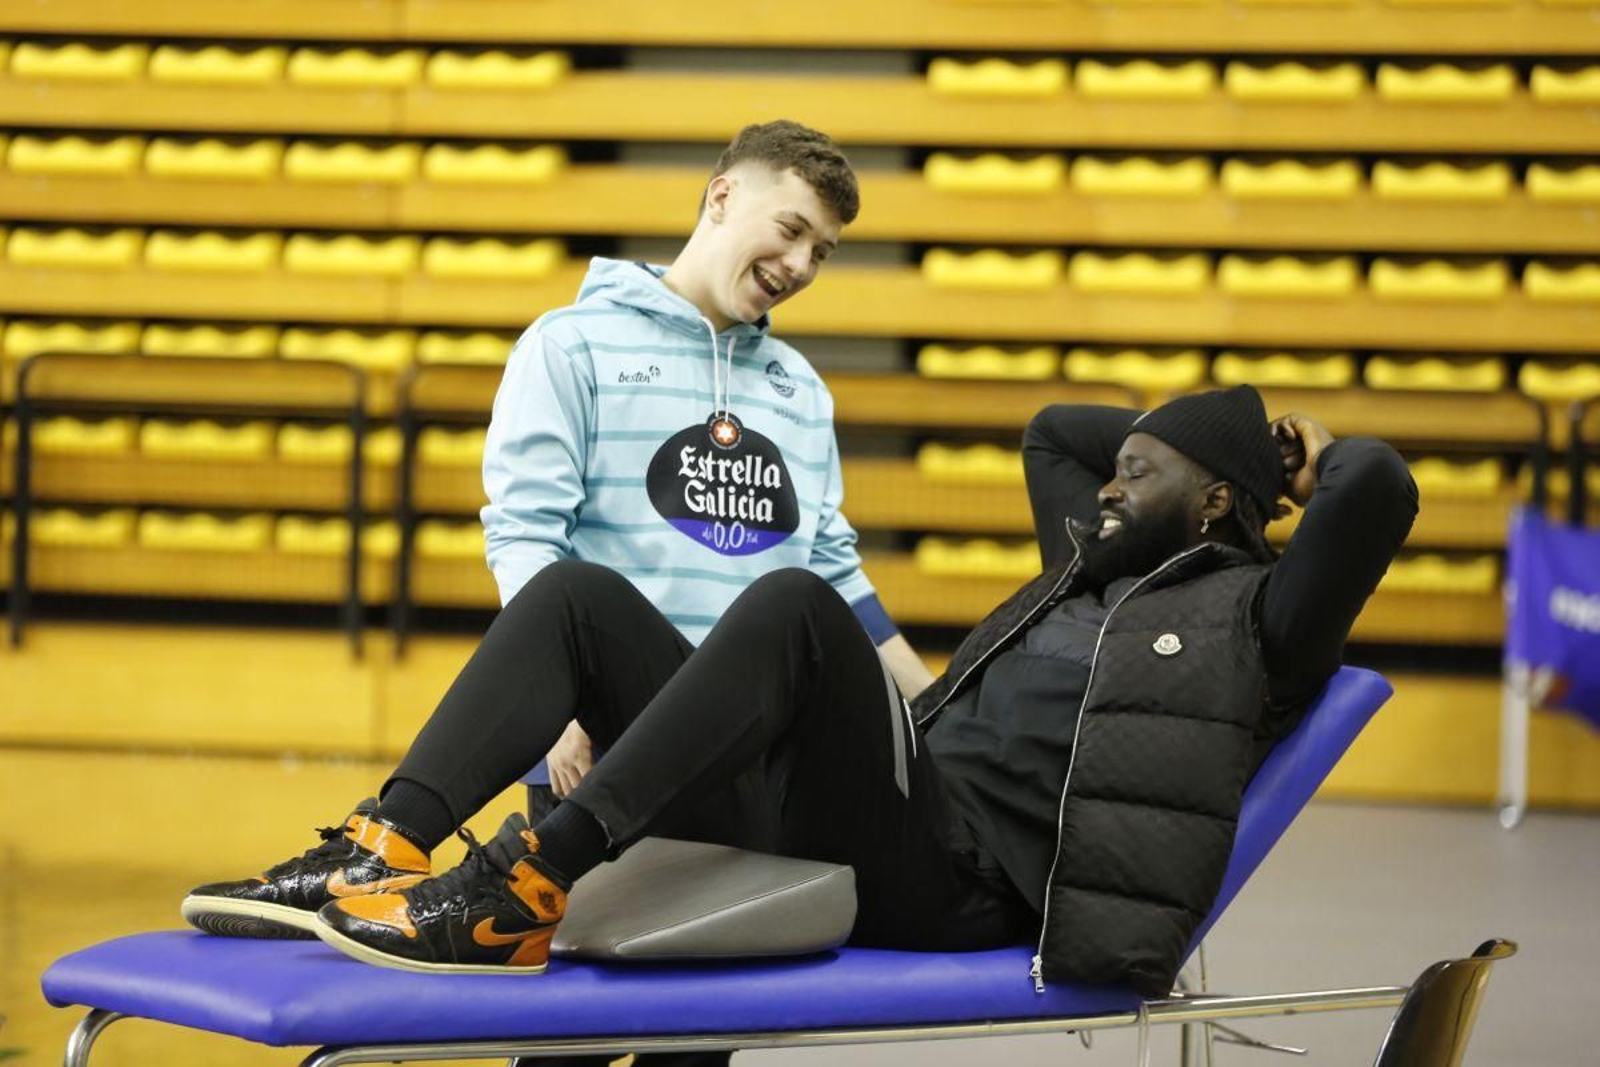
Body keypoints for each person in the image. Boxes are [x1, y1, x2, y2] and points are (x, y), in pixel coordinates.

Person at [184, 386, 1417, 997]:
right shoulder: (1087, 559)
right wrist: (1187, 442)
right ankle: (378, 844)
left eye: (1139, 473)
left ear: (1216, 505)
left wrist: (1288, 448)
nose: (1102, 487)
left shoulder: (1260, 617)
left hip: (959, 871)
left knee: (793, 607)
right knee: (572, 592)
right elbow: (1057, 430)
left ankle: (526, 886)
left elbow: (1378, 494)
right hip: (855, 810)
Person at [180, 119, 932, 946]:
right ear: (722, 196)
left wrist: (939, 708)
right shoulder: (570, 346)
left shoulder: (801, 390)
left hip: (759, 770)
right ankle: (378, 850)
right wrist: (559, 722)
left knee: (694, 1022)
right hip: (608, 745)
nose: (799, 266)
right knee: (574, 597)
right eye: (791, 231)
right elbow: (527, 536)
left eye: (821, 252)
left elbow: (838, 582)